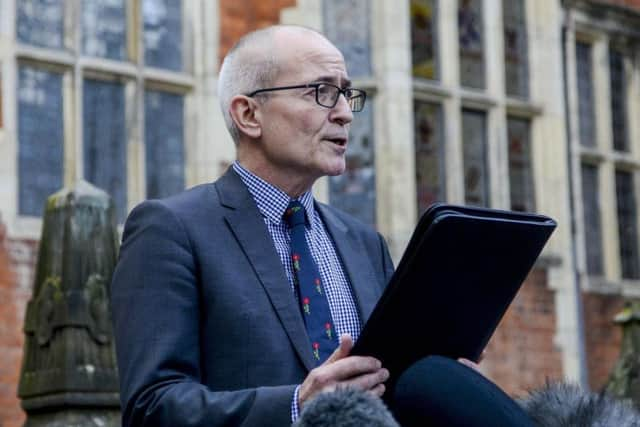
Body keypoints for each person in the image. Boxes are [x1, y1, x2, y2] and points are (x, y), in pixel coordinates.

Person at [111, 24, 533, 427]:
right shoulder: (170, 229)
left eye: (347, 94)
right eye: (323, 92)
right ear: (248, 114)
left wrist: (440, 386)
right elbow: (152, 408)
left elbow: (388, 387)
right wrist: (297, 405)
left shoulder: (366, 244)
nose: (346, 114)